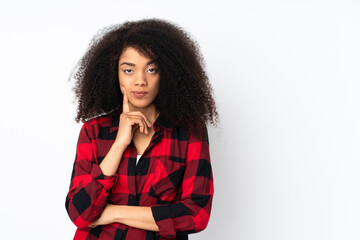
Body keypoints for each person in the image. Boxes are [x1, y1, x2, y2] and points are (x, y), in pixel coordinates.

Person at [65, 18, 219, 240]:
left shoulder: (189, 133)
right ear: (114, 74)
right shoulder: (93, 132)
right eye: (128, 70)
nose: (140, 81)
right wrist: (119, 144)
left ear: (167, 73)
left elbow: (196, 214)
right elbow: (80, 214)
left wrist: (114, 212)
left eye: (152, 69)